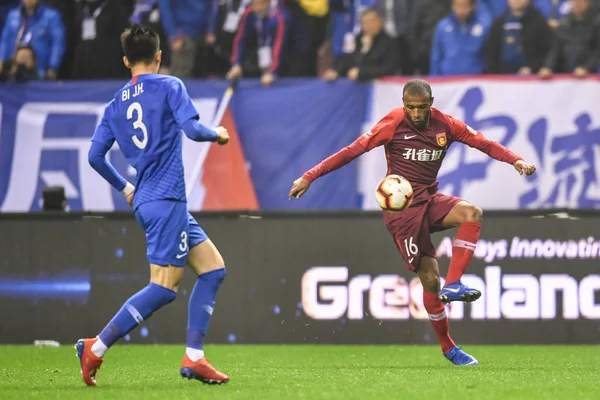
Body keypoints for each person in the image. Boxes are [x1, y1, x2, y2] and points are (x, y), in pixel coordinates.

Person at [289, 79, 537, 366]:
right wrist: (310, 175)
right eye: (411, 108)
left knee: (472, 213)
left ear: (431, 102)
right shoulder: (392, 123)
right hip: (402, 211)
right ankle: (448, 348)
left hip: (429, 198)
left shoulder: (447, 125)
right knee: (430, 279)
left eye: (421, 107)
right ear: (404, 105)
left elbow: (484, 143)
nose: (416, 113)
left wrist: (515, 160)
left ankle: (454, 283)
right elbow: (352, 151)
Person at [76, 24, 230, 386]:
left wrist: (125, 187)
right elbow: (193, 131)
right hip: (167, 199)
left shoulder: (116, 103)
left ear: (126, 60)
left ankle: (194, 357)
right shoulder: (170, 85)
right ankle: (95, 347)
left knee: (213, 269)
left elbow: (95, 156)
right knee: (163, 287)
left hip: (148, 198)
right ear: (160, 56)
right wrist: (217, 134)